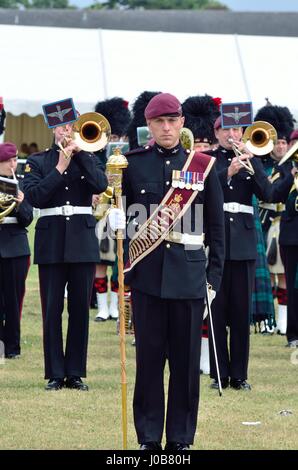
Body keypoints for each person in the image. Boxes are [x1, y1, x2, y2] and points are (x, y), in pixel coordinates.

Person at [110, 92, 225, 450]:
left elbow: (217, 230)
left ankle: (180, 438)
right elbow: (120, 214)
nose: (166, 127)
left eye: (172, 120)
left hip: (190, 279)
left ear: (182, 123)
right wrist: (114, 219)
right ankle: (148, 437)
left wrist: (213, 280)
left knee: (186, 365)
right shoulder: (132, 164)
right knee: (148, 362)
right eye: (159, 121)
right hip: (146, 278)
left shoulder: (202, 165)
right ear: (148, 125)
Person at [208, 116, 295, 391]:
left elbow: (268, 192)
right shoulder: (210, 160)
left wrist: (256, 165)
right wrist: (228, 173)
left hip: (244, 242)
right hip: (218, 241)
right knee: (217, 311)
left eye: (236, 129)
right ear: (217, 132)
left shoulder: (252, 158)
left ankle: (240, 375)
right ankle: (218, 373)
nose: (231, 134)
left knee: (240, 311)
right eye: (226, 129)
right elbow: (201, 193)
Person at [23, 119, 108, 391]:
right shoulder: (38, 161)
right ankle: (55, 373)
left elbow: (100, 184)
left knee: (80, 309)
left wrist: (80, 155)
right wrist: (60, 166)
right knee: (52, 310)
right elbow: (35, 197)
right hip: (51, 241)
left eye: (71, 126)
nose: (66, 131)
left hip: (82, 242)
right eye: (61, 127)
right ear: (53, 130)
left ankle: (75, 372)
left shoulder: (90, 158)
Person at [182, 94, 221, 374]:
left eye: (206, 144)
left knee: (206, 307)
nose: (202, 148)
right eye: (198, 144)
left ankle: (206, 358)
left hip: (203, 242)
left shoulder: (210, 168)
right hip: (186, 242)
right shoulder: (184, 167)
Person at [255, 104, 295, 335]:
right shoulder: (266, 166)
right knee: (270, 275)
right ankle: (271, 320)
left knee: (284, 276)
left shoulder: (289, 167)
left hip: (283, 224)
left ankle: (282, 321)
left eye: (283, 142)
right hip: (268, 223)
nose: (280, 146)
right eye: (277, 142)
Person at [92, 97, 131, 321]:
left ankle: (116, 306)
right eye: (113, 137)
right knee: (100, 262)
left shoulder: (130, 155)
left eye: (120, 136)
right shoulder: (95, 155)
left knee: (120, 261)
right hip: (101, 212)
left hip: (123, 211)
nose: (117, 141)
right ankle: (102, 307)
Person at [0, 142, 33, 358]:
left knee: (13, 299)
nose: (14, 164)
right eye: (10, 161)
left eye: (14, 160)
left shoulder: (20, 184)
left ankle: (12, 347)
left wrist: (21, 203)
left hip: (15, 247)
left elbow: (27, 219)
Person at [279, 133, 298, 347]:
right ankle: (293, 334)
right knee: (293, 286)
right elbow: (273, 194)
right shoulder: (284, 168)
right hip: (291, 237)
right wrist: (290, 176)